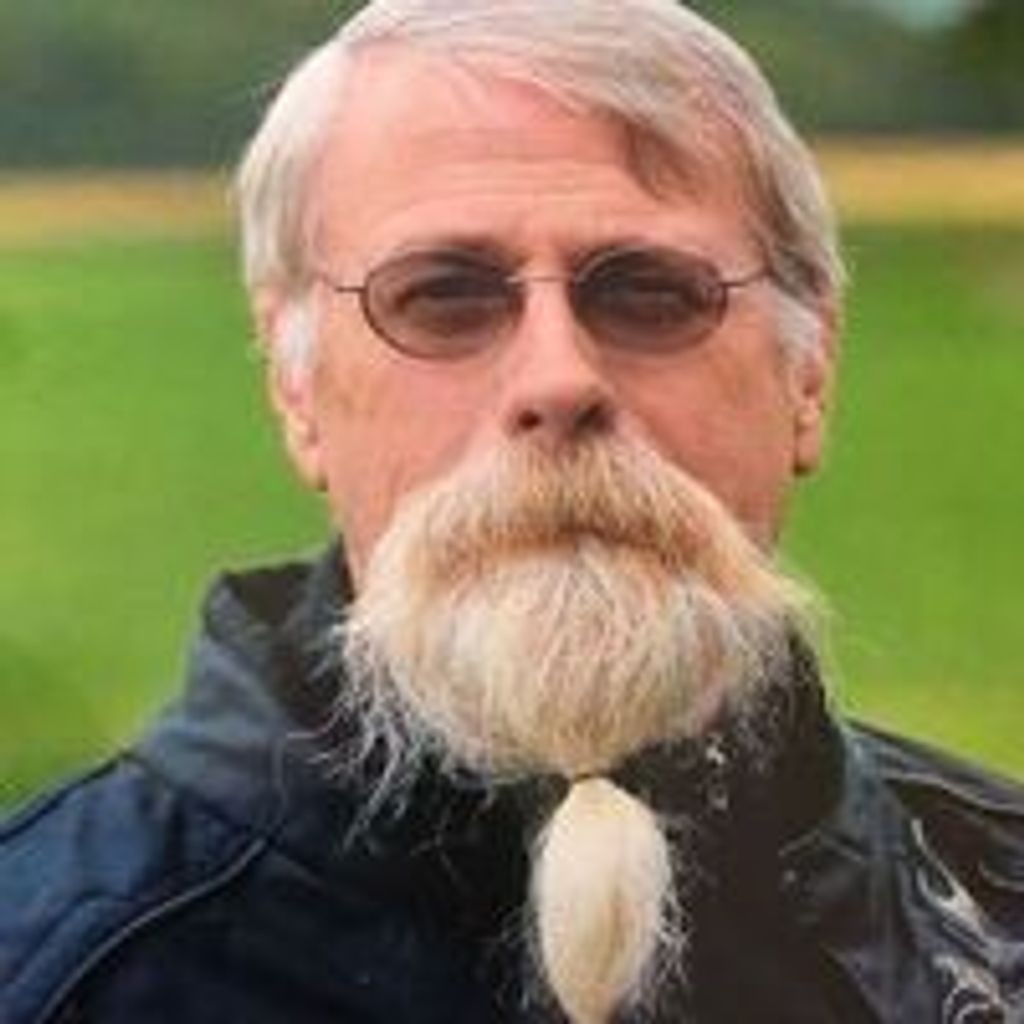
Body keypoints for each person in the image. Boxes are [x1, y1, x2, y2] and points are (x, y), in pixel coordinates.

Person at [3, 1, 1022, 1021]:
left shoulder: (993, 926)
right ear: (295, 387)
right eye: (442, 296)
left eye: (652, 293)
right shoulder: (50, 976)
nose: (558, 378)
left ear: (810, 374)